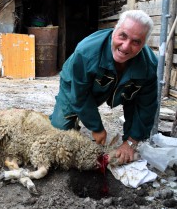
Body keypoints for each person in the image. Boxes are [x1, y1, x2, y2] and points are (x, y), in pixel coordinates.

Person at [50, 10, 158, 165]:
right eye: (123, 36)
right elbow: (80, 95)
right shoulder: (86, 52)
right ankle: (68, 119)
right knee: (59, 131)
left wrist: (131, 142)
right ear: (115, 29)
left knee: (134, 98)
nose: (126, 46)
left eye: (136, 42)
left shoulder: (149, 66)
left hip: (118, 87)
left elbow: (145, 106)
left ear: (144, 44)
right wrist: (96, 127)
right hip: (75, 83)